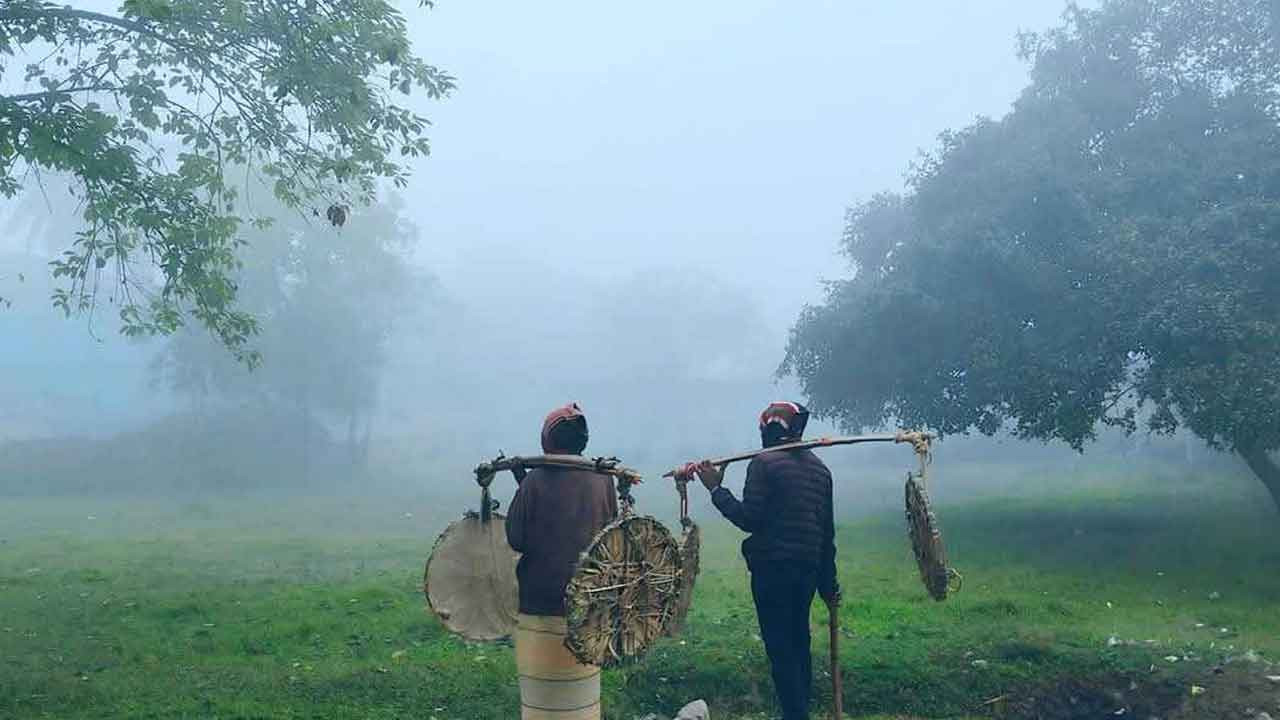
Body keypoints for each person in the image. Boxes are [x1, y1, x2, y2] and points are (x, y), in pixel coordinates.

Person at [680, 401, 840, 720]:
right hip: (807, 572)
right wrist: (828, 584)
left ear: (768, 428)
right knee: (798, 642)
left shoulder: (764, 463)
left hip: (773, 571)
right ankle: (799, 710)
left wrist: (715, 489)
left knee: (781, 648)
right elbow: (826, 535)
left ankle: (796, 715)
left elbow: (750, 519)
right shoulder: (820, 470)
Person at [506, 403, 618, 720]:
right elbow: (608, 530)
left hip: (541, 604)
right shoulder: (603, 480)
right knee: (579, 700)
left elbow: (517, 537)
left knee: (544, 700)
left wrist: (524, 487)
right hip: (590, 604)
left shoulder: (535, 482)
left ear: (548, 441)